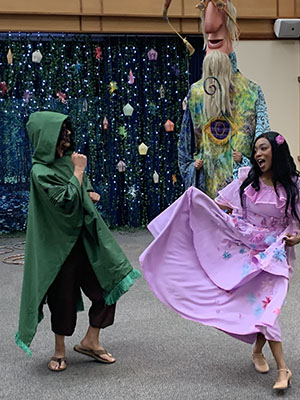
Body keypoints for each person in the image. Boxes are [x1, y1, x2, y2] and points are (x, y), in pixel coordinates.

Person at [140, 131, 298, 392]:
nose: (258, 154)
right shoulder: (247, 179)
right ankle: (278, 366)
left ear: (277, 152)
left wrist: (296, 238)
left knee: (266, 307)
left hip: (274, 253)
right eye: (256, 149)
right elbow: (219, 204)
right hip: (244, 249)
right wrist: (206, 214)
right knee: (260, 307)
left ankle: (272, 361)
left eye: (263, 148)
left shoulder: (293, 185)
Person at [16, 111, 141, 371]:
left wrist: (89, 191)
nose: (68, 137)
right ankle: (59, 349)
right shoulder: (40, 172)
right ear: (46, 138)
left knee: (108, 284)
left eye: (68, 133)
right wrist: (79, 171)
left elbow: (81, 190)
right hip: (59, 247)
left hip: (85, 241)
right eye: (62, 134)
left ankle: (91, 340)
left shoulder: (67, 163)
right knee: (62, 298)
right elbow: (65, 201)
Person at [178, 0, 270, 197]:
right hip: (206, 188)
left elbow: (264, 143)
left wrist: (247, 163)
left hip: (242, 191)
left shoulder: (252, 92)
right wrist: (192, 167)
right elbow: (185, 146)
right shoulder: (195, 93)